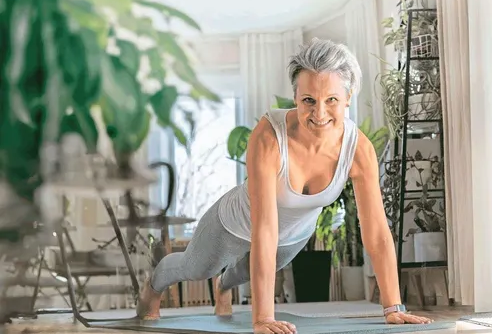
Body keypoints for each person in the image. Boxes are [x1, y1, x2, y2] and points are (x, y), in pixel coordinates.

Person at [137, 38, 433, 334]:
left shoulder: (358, 149)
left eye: (331, 100)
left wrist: (393, 308)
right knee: (197, 268)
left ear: (348, 98)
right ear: (295, 97)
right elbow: (264, 227)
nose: (319, 113)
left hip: (293, 235)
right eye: (309, 100)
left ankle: (223, 286)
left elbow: (377, 232)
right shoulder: (269, 135)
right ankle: (153, 287)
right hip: (234, 223)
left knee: (240, 274)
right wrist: (263, 318)